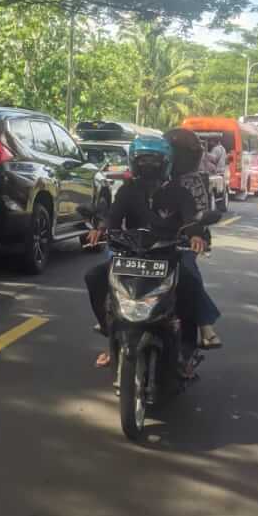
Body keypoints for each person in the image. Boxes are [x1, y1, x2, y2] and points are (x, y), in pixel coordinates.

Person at [84, 135, 213, 368]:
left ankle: (187, 347)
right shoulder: (127, 190)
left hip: (167, 255)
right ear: (135, 162)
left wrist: (194, 234)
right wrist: (101, 229)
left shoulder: (180, 192)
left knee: (190, 282)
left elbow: (191, 219)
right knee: (94, 277)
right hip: (133, 254)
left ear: (166, 164)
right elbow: (113, 217)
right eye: (143, 161)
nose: (149, 167)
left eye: (155, 162)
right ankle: (109, 332)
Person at [164, 127, 223, 350]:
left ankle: (204, 326)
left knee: (187, 274)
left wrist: (195, 234)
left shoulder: (193, 181)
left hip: (182, 241)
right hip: (149, 241)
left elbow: (197, 215)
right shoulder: (151, 177)